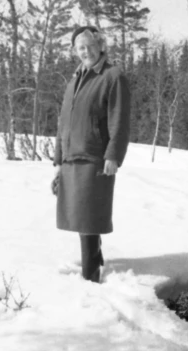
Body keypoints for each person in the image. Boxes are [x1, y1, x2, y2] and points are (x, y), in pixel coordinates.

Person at [52, 26, 131, 282]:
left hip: (95, 157)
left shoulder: (112, 76)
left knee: (88, 218)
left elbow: (119, 120)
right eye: (80, 47)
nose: (85, 51)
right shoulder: (75, 79)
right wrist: (57, 160)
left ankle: (91, 276)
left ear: (101, 46)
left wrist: (113, 155)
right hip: (71, 158)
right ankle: (94, 263)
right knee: (80, 217)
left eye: (89, 45)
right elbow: (63, 123)